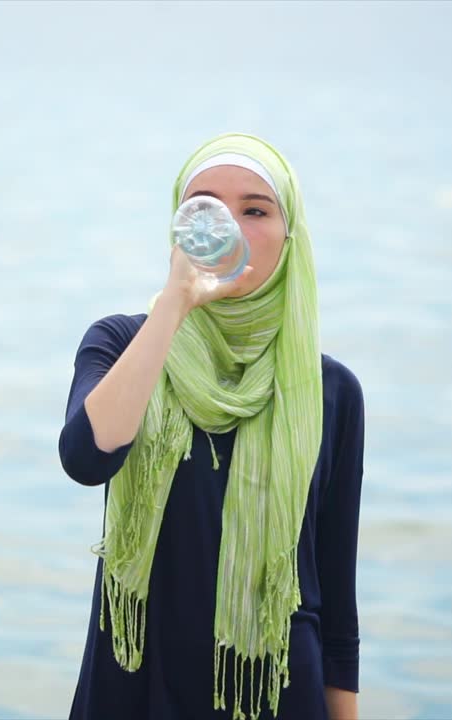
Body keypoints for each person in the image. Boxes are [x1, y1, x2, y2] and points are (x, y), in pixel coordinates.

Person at [58, 133, 364, 720]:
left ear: (288, 233)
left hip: (275, 692)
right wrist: (175, 303)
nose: (229, 228)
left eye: (255, 210)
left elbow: (336, 597)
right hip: (136, 684)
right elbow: (86, 456)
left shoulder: (330, 391)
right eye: (205, 210)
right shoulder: (121, 342)